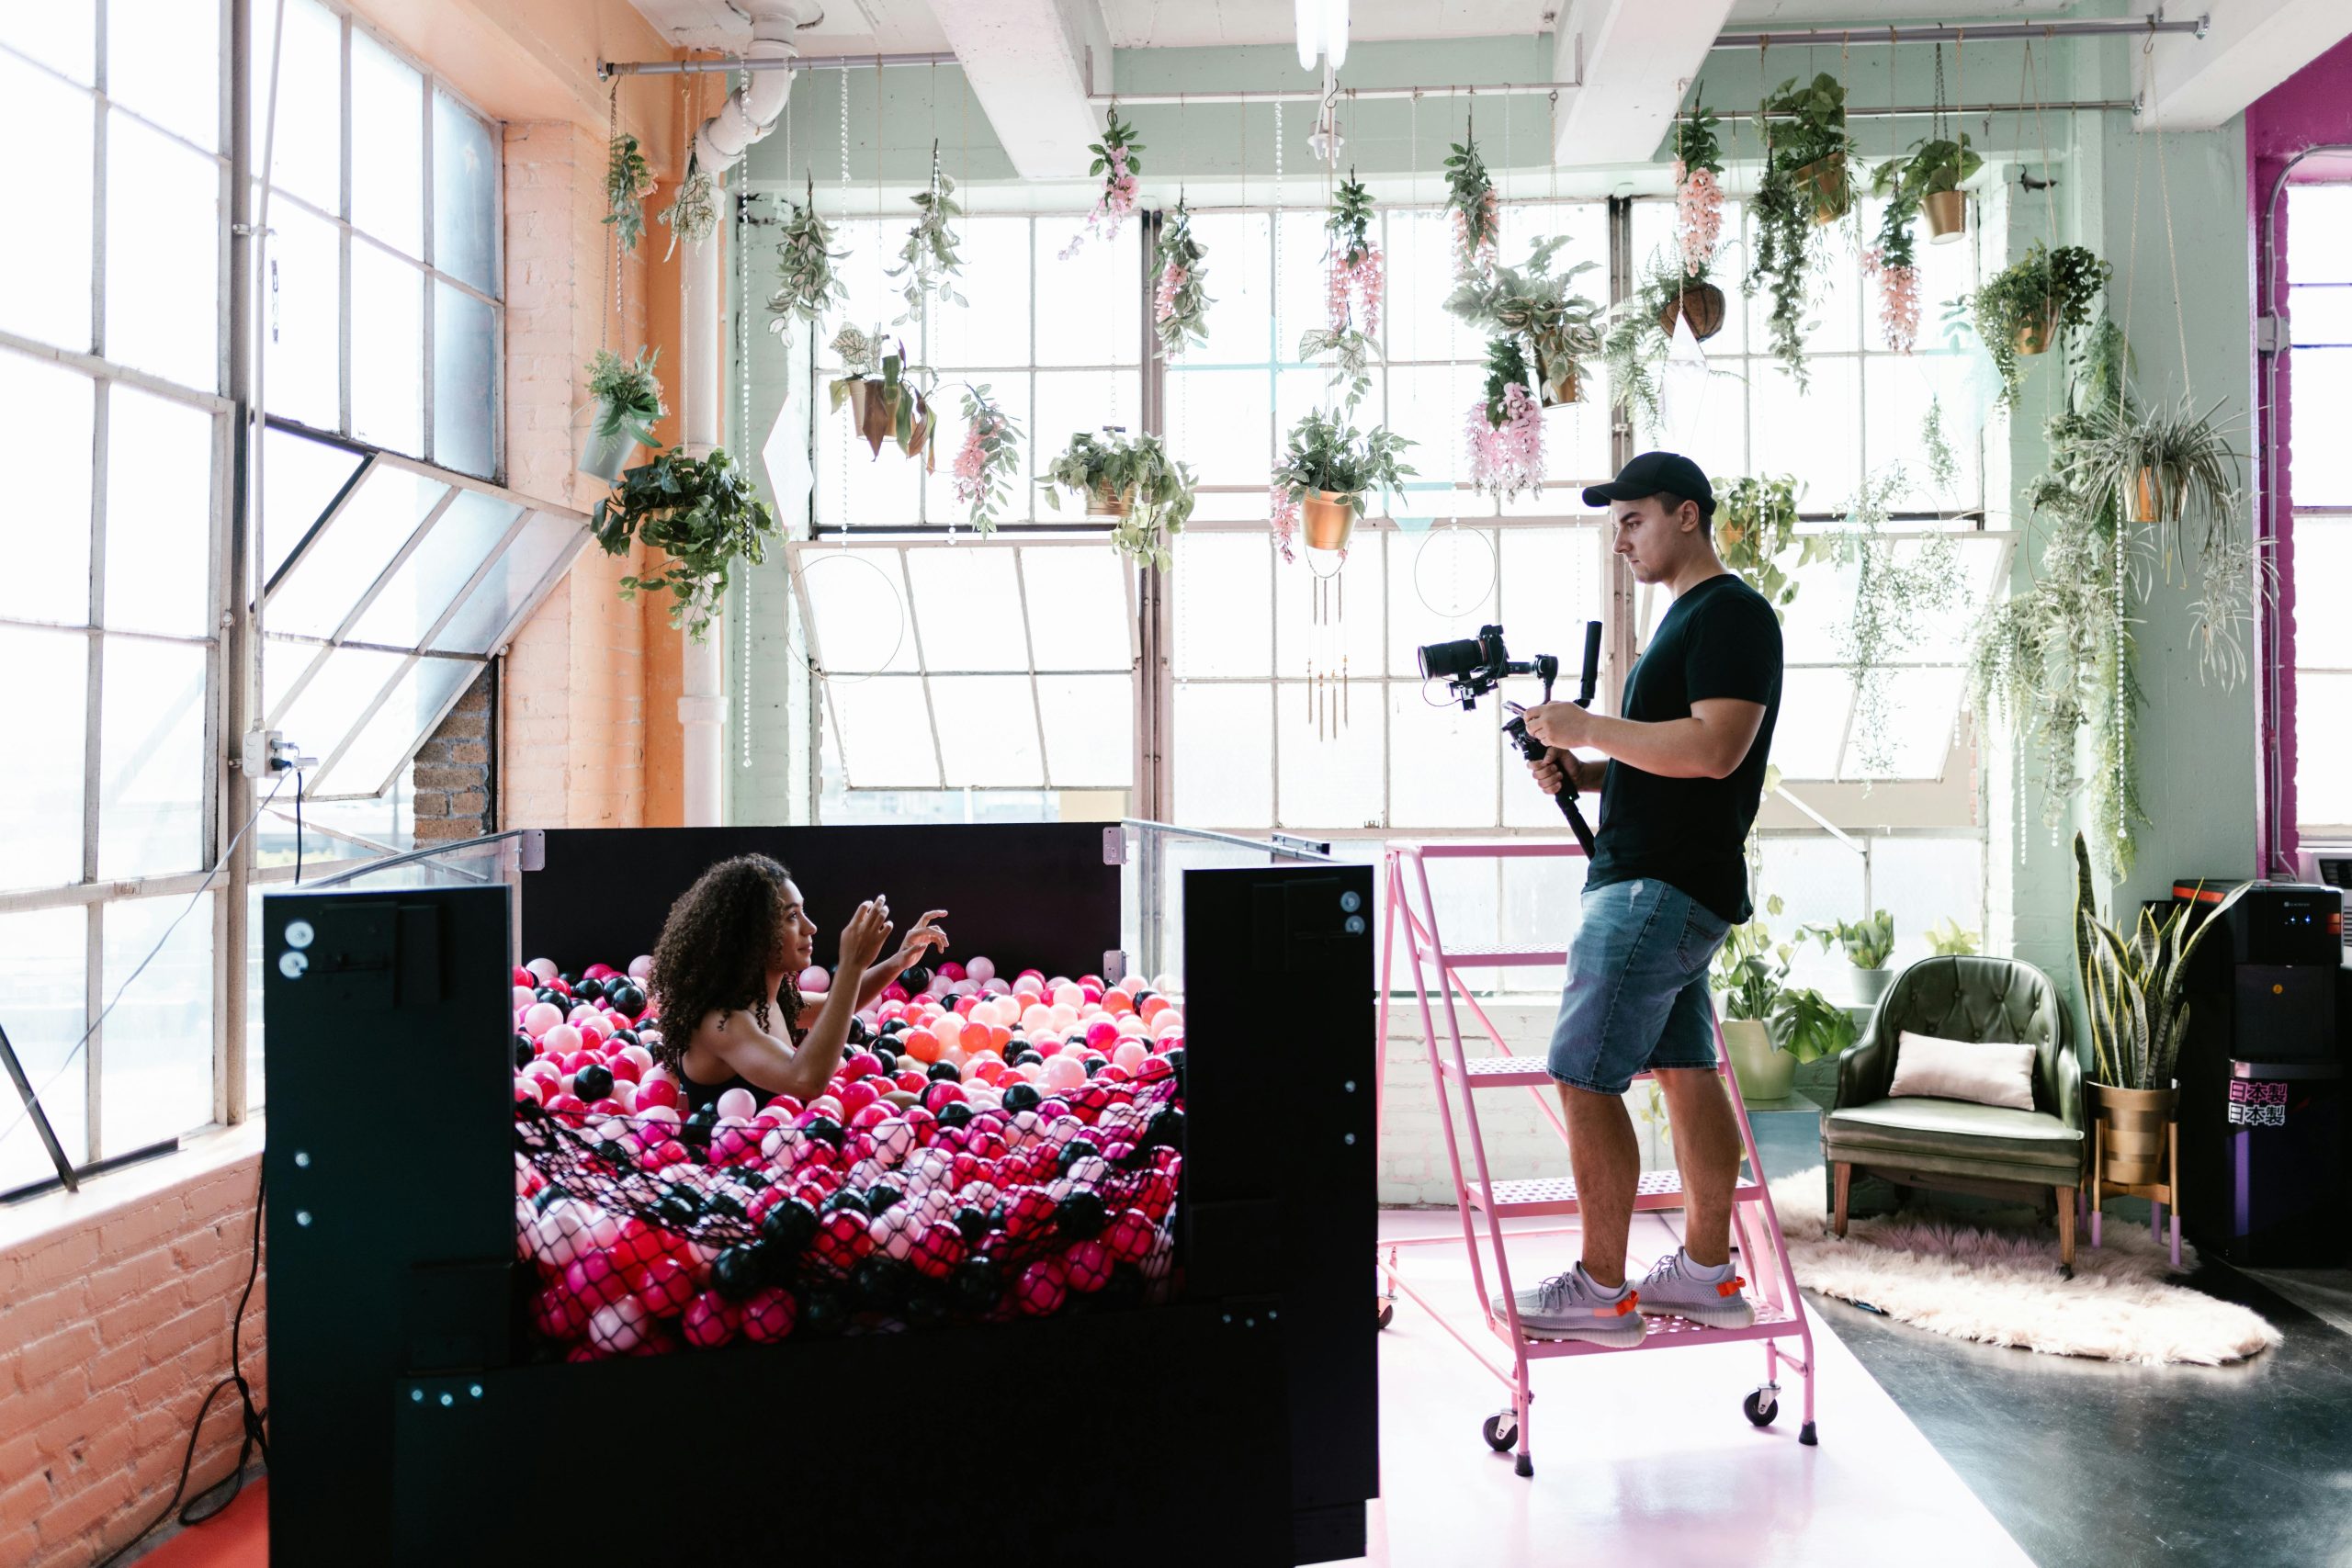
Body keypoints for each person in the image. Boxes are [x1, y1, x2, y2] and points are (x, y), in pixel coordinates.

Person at [1502, 450, 1783, 1345]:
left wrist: (1590, 726)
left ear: (1687, 514)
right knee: (1687, 1070)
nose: (1620, 540)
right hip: (1669, 883)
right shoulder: (1687, 621)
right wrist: (1585, 770)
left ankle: (1600, 1289)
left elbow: (1715, 751)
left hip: (1655, 889)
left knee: (1581, 1074)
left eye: (1633, 520)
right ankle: (1705, 1274)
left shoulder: (1730, 613)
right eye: (1615, 526)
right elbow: (1671, 759)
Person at [645, 853, 948, 1114]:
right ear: (751, 935)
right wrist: (851, 965)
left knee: (912, 1101)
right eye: (792, 916)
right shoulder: (723, 1022)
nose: (810, 927)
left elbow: (836, 1005)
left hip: (792, 1138)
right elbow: (806, 1080)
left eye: (803, 912)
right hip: (741, 1160)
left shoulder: (767, 1000)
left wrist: (898, 962)